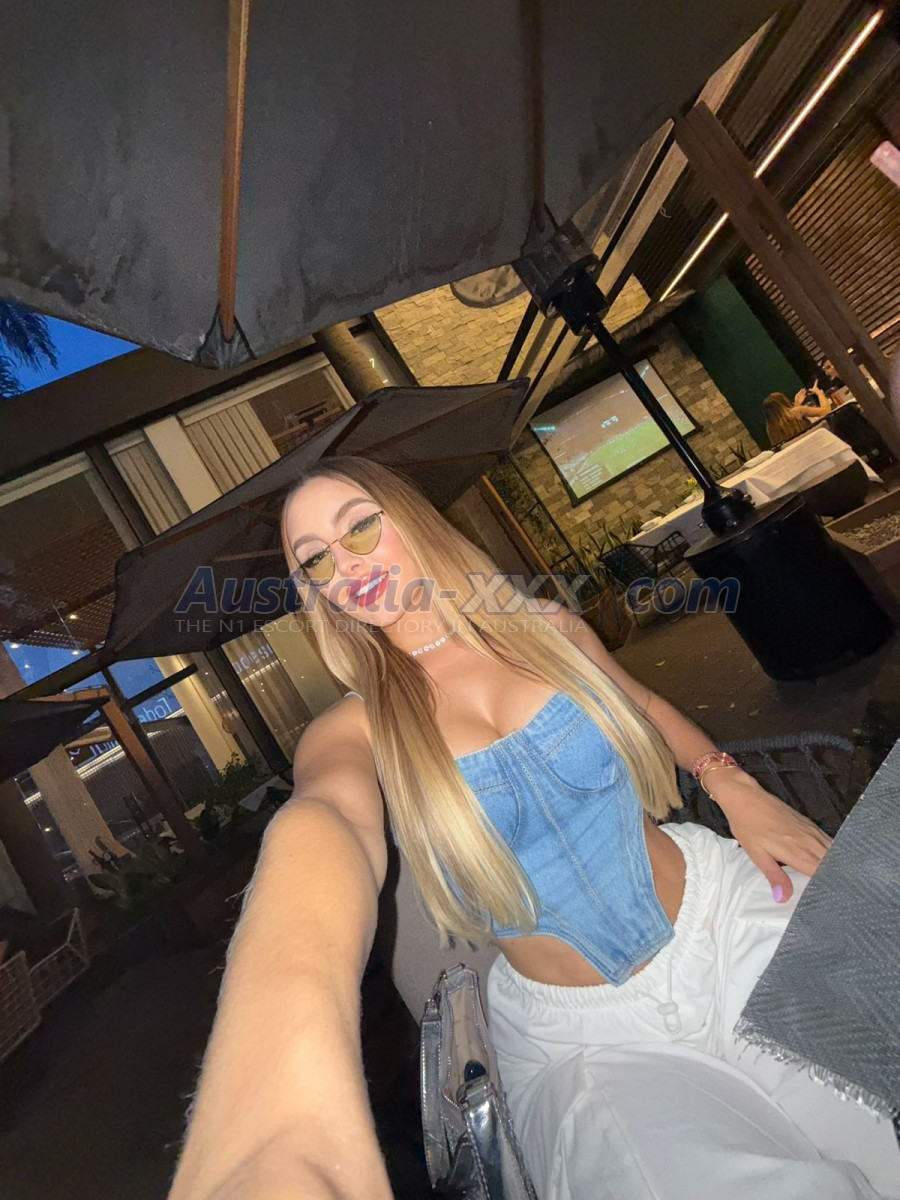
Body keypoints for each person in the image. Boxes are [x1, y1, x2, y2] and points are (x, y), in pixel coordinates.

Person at [167, 456, 900, 1200]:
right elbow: (329, 826)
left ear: (410, 520)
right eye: (315, 559)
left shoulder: (546, 629)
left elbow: (642, 706)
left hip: (723, 917)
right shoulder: (351, 732)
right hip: (587, 1041)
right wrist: (272, 1092)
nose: (344, 564)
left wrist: (733, 785)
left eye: (358, 527)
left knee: (876, 1119)